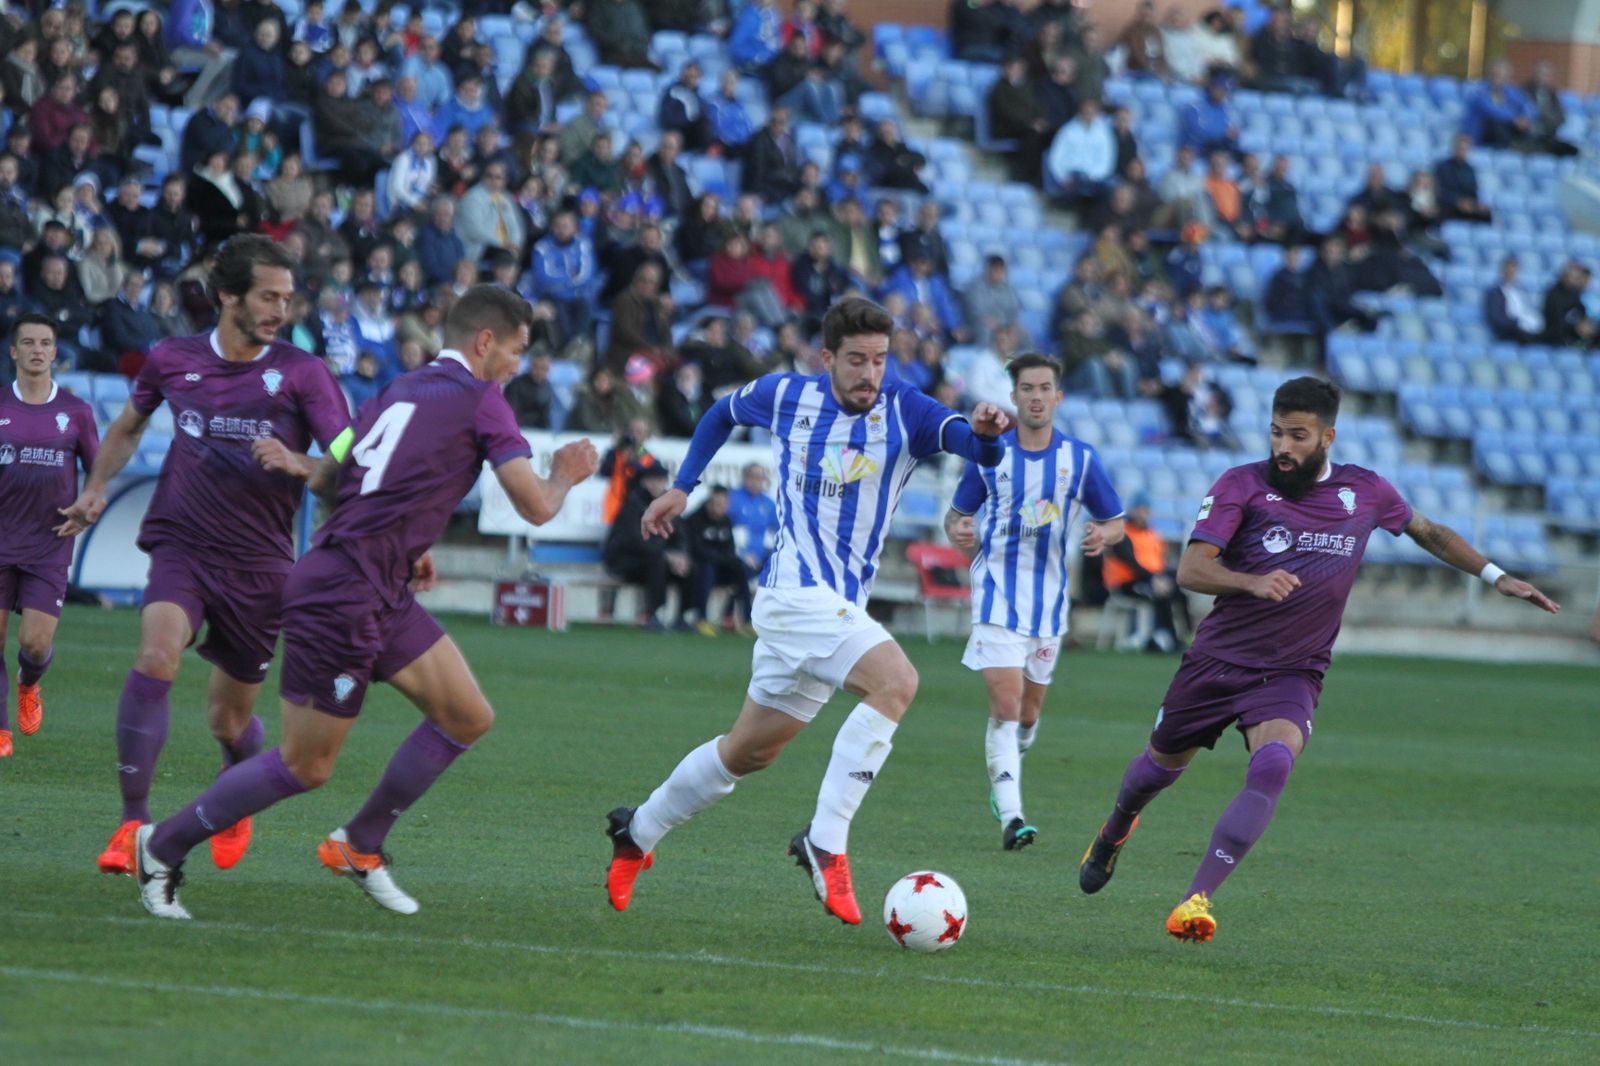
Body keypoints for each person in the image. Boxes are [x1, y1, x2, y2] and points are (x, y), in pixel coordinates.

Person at [125, 285, 600, 919]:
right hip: (345, 591)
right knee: (306, 763)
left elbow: (335, 470)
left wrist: (395, 530)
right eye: (515, 350)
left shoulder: (398, 390)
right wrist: (567, 469)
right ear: (485, 342)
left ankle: (360, 844)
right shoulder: (483, 400)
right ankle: (162, 846)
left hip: (377, 582)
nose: (516, 364)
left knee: (466, 716)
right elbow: (537, 505)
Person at [1076, 377, 1560, 943]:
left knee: (1275, 762)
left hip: (1293, 669)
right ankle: (1114, 831)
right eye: (1277, 433)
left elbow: (1428, 532)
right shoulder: (1242, 485)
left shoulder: (1366, 492)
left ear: (1328, 437)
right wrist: (1251, 582)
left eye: (1298, 436)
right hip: (1218, 661)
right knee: (1155, 771)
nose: (1284, 446)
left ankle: (1195, 899)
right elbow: (1191, 570)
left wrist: (1496, 576)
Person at [604, 296, 1013, 925]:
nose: (868, 373)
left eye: (879, 359)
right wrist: (683, 486)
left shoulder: (905, 409)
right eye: (855, 360)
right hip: (793, 594)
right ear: (827, 358)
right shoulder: (786, 394)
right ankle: (826, 840)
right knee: (897, 682)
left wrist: (985, 436)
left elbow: (972, 446)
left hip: (835, 607)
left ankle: (638, 831)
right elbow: (719, 413)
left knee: (747, 753)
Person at [58, 236, 351, 880]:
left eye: (287, 298)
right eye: (268, 296)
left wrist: (301, 462)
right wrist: (96, 485)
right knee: (156, 654)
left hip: (261, 564)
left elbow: (351, 464)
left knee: (229, 718)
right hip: (182, 541)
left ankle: (234, 788)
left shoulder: (305, 374)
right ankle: (133, 823)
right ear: (227, 296)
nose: (281, 309)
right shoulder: (171, 359)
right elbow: (129, 425)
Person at [944, 353, 1125, 850]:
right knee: (1005, 705)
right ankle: (1012, 815)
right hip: (997, 597)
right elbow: (957, 514)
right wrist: (959, 527)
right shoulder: (990, 454)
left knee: (1027, 718)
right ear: (1015, 396)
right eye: (1027, 388)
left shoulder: (1080, 459)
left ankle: (1008, 772)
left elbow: (1116, 520)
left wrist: (1102, 535)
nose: (1037, 396)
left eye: (1045, 388)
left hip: (1048, 607)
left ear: (1058, 397)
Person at [0, 315, 99, 758]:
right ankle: (1, 732)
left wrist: (88, 509)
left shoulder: (76, 411)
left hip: (49, 542)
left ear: (55, 353)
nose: (37, 350)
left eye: (45, 343)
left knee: (34, 644)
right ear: (14, 352)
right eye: (28, 342)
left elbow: (98, 473)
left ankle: (29, 684)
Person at [1102, 493, 1190, 651]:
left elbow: (1159, 562)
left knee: (1179, 594)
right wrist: (1156, 579)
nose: (1144, 513)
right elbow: (1131, 564)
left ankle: (1186, 635)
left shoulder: (1152, 533)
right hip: (1126, 583)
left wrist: (1162, 578)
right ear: (1133, 510)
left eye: (1146, 510)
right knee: (1161, 594)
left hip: (1150, 579)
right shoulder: (1121, 534)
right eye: (1141, 509)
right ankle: (1168, 640)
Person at [685, 484, 754, 634]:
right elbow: (697, 551)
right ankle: (701, 618)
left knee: (741, 569)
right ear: (709, 502)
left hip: (720, 566)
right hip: (699, 568)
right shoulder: (694, 520)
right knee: (707, 568)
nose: (719, 508)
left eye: (723, 504)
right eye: (716, 504)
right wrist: (722, 558)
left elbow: (730, 550)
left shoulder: (726, 521)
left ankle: (746, 620)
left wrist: (729, 560)